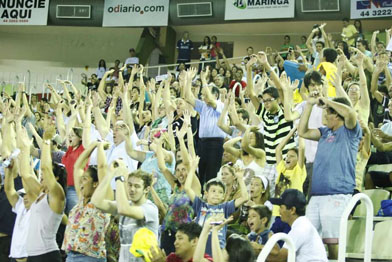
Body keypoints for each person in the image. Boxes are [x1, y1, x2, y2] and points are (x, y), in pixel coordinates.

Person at [298, 96, 361, 259]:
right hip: (316, 195)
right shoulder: (324, 132)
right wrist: (310, 105)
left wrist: (327, 101)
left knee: (333, 242)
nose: (325, 116)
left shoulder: (350, 131)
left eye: (328, 113)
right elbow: (302, 131)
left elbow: (350, 113)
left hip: (337, 195)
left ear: (338, 115)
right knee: (307, 240)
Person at [91, 162, 159, 262]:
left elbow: (123, 209)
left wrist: (119, 178)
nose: (132, 189)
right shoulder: (126, 204)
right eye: (130, 185)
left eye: (137, 186)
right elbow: (96, 202)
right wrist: (110, 174)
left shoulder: (150, 209)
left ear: (146, 189)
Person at [184, 157, 248, 256]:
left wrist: (240, 178)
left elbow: (245, 197)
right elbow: (187, 188)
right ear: (206, 194)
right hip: (199, 249)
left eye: (220, 192)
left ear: (223, 196)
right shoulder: (200, 205)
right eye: (213, 191)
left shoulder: (225, 207)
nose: (216, 194)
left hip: (218, 249)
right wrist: (192, 169)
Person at [62, 141, 110, 262]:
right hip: (71, 256)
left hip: (90, 258)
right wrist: (93, 146)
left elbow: (102, 167)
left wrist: (100, 147)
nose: (80, 182)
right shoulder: (81, 199)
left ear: (95, 184)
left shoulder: (102, 201)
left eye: (85, 179)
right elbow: (77, 166)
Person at [184, 68, 226, 184]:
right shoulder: (202, 106)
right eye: (202, 95)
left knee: (211, 174)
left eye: (205, 94)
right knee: (200, 173)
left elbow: (212, 101)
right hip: (202, 143)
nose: (203, 97)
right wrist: (188, 80)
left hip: (216, 143)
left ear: (216, 95)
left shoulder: (220, 105)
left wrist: (204, 80)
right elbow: (188, 97)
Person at [263, 189, 328, 262]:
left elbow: (279, 258)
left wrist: (255, 251)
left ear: (292, 210)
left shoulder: (300, 228)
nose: (279, 211)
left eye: (281, 207)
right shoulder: (302, 224)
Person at [147, 222, 213, 262]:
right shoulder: (172, 258)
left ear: (194, 241)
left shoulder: (206, 260)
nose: (175, 243)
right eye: (176, 239)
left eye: (180, 238)